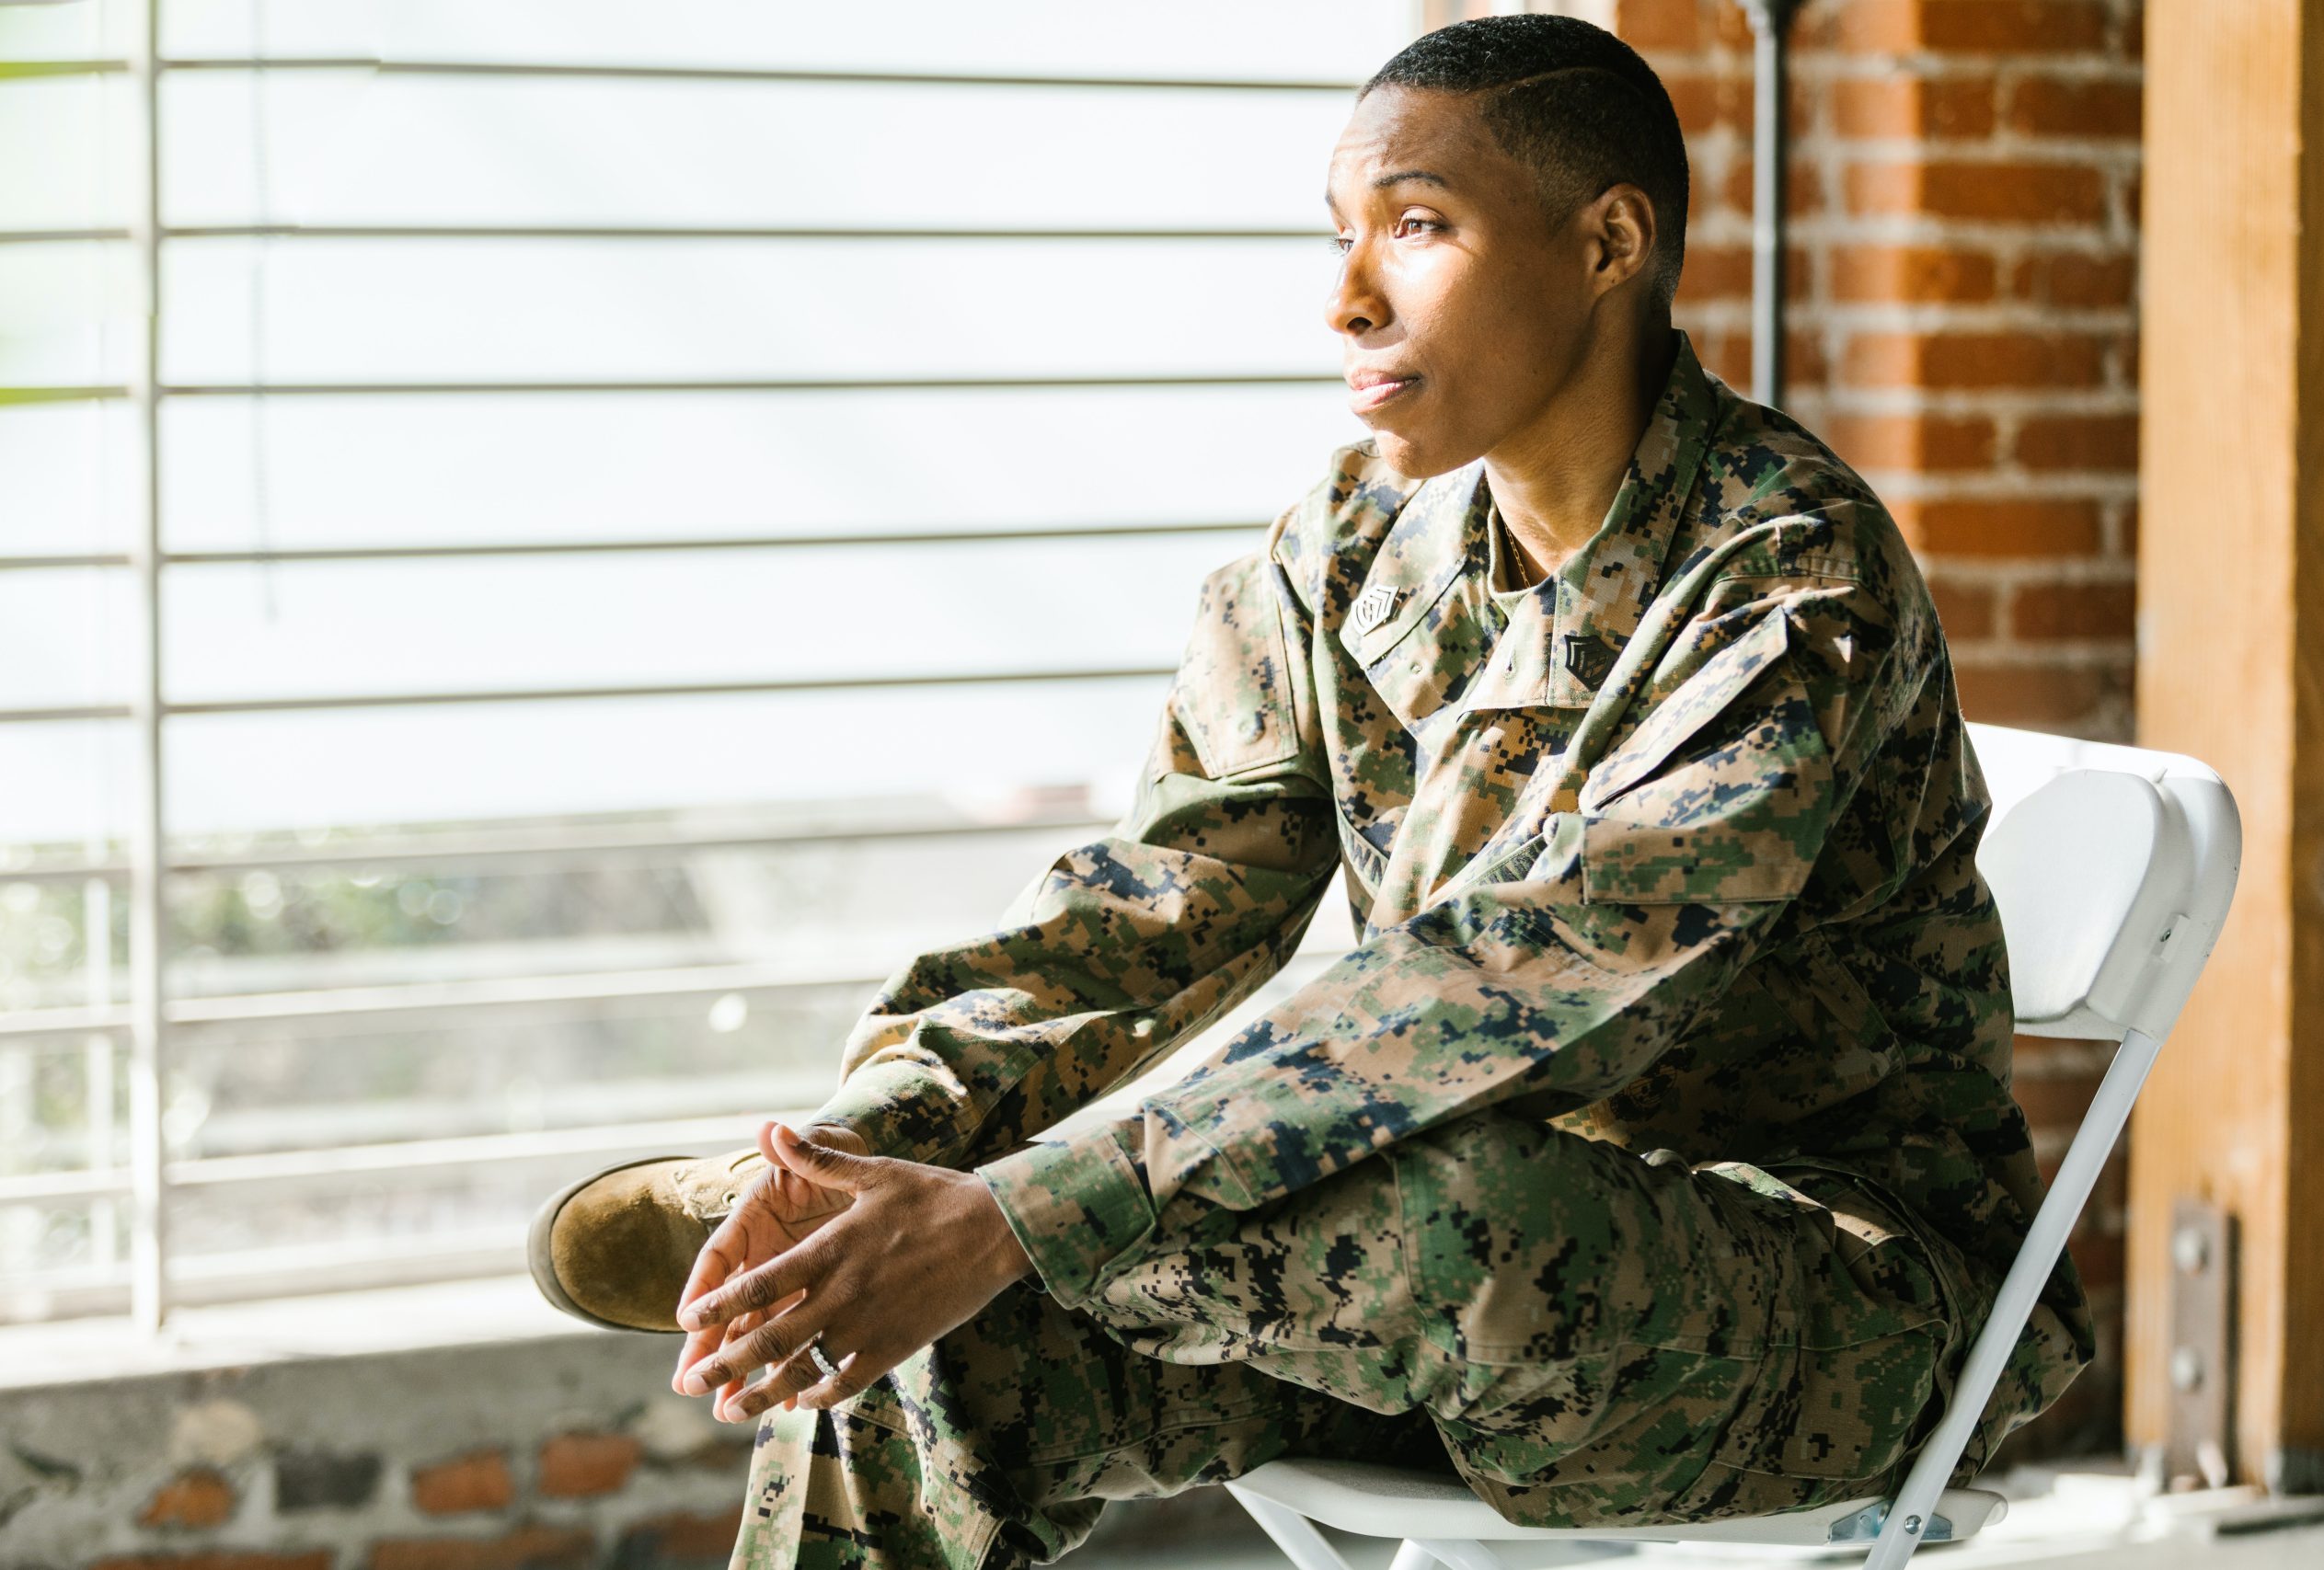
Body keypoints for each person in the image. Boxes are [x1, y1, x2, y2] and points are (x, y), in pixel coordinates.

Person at [527, 16, 2095, 1567]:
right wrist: (885, 1136)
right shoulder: (1350, 546)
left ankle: (957, 1217)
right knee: (916, 1335)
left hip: (1818, 1317)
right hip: (1432, 1306)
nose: (1346, 299)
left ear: (1609, 242)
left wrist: (1014, 1213)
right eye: (1342, 237)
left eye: (1417, 229)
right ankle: (844, 1200)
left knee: (1415, 1197)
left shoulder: (1788, 578)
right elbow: (1154, 908)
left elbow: (1520, 983)